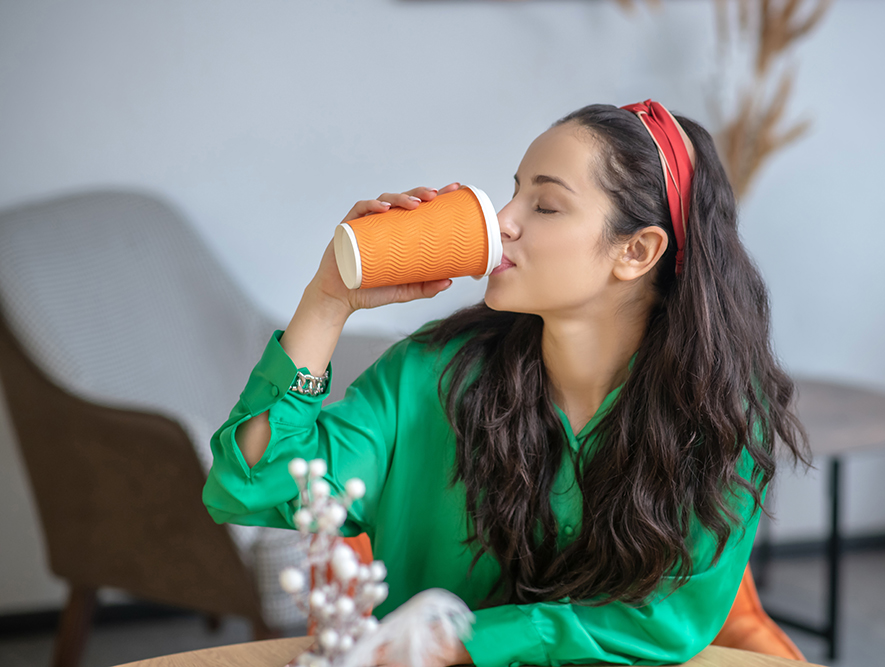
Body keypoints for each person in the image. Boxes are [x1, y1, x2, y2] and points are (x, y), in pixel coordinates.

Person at [203, 100, 809, 667]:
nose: (502, 222)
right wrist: (328, 300)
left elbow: (669, 621)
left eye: (545, 206)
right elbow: (247, 486)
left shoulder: (720, 413)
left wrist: (462, 641)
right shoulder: (428, 376)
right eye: (515, 193)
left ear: (637, 251)